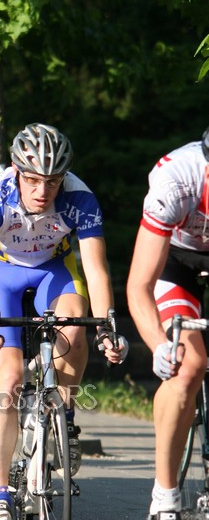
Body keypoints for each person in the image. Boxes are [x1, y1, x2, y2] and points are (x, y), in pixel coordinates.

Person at [0, 123, 127, 520]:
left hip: (54, 269)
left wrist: (107, 328)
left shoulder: (80, 197)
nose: (43, 191)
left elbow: (96, 270)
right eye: (34, 180)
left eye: (53, 182)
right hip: (4, 274)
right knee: (7, 379)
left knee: (74, 328)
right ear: (16, 172)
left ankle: (64, 414)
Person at [126, 126, 209, 520]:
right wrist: (160, 344)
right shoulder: (175, 180)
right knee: (187, 365)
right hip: (176, 262)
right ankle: (165, 491)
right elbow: (139, 285)